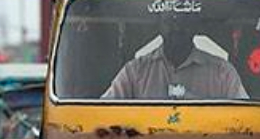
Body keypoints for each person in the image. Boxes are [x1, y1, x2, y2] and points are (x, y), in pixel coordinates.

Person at [101, 12, 246, 101]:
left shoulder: (223, 73)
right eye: (170, 21)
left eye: (184, 21)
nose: (177, 27)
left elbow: (245, 119)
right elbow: (104, 112)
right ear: (159, 26)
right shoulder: (134, 72)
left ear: (195, 27)